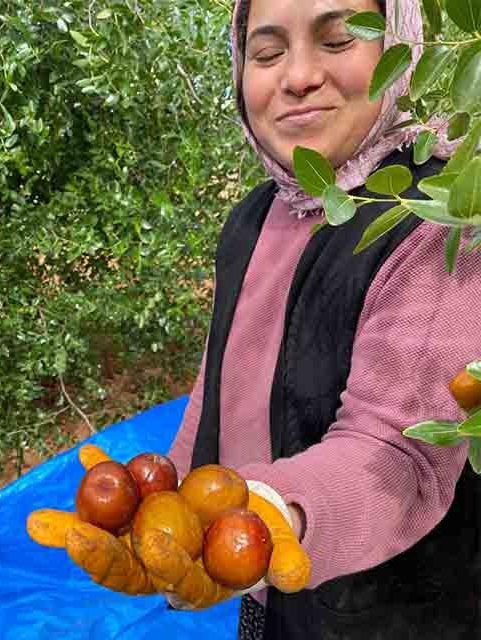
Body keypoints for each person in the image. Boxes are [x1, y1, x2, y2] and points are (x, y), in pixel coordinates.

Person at [162, 0, 481, 638]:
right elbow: (219, 384)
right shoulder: (255, 216)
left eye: (338, 41)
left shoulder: (445, 219)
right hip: (266, 584)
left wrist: (264, 516)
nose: (298, 76)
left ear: (403, 53)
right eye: (268, 52)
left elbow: (395, 452)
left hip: (396, 611)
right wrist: (164, 497)